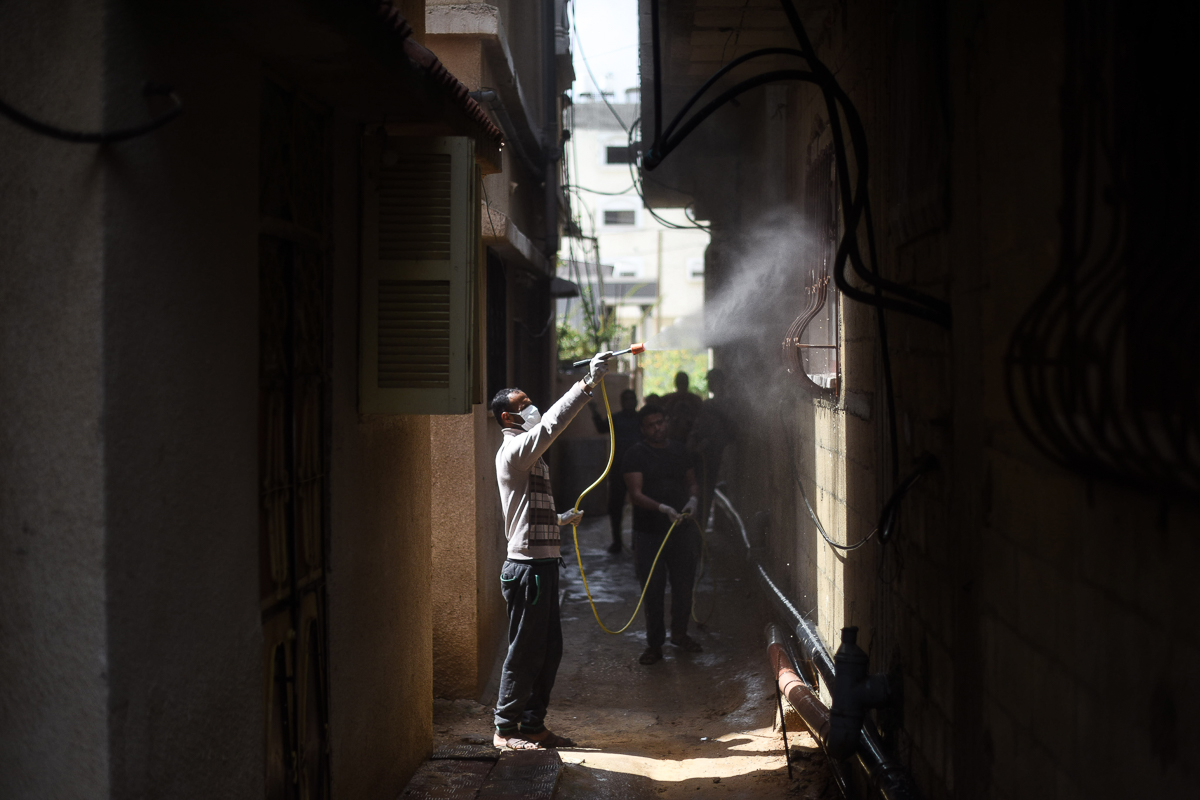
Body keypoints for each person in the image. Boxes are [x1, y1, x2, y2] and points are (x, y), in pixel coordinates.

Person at [491, 350, 611, 750]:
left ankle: (532, 725)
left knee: (548, 649)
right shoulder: (516, 450)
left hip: (542, 563)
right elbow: (552, 426)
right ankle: (505, 729)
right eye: (523, 406)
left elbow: (523, 511)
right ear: (507, 418)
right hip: (528, 569)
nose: (531, 408)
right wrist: (587, 384)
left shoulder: (531, 457)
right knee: (525, 649)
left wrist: (559, 520)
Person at [622, 404, 701, 665]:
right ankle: (654, 645)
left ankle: (679, 634)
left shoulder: (679, 450)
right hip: (650, 533)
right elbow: (636, 494)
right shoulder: (636, 454)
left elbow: (691, 481)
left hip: (681, 528)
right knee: (653, 588)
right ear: (643, 429)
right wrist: (662, 508)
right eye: (652, 424)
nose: (658, 428)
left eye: (661, 422)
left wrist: (692, 499)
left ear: (666, 421)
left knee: (683, 585)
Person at [590, 388, 642, 553]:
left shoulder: (641, 419)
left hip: (638, 468)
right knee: (615, 506)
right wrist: (594, 411)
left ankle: (637, 541)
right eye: (625, 399)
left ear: (635, 401)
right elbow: (601, 427)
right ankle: (617, 542)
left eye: (631, 399)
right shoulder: (616, 419)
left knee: (640, 506)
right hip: (619, 466)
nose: (628, 402)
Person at [687, 368, 735, 524]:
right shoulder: (708, 404)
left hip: (716, 456)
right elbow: (699, 426)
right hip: (704, 457)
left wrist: (709, 442)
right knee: (702, 494)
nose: (710, 385)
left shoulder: (727, 404)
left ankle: (701, 529)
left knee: (708, 494)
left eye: (713, 381)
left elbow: (729, 430)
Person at [661, 371, 702, 444]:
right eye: (681, 382)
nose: (682, 384)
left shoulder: (695, 400)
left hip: (691, 437)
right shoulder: (695, 399)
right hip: (672, 436)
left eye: (683, 381)